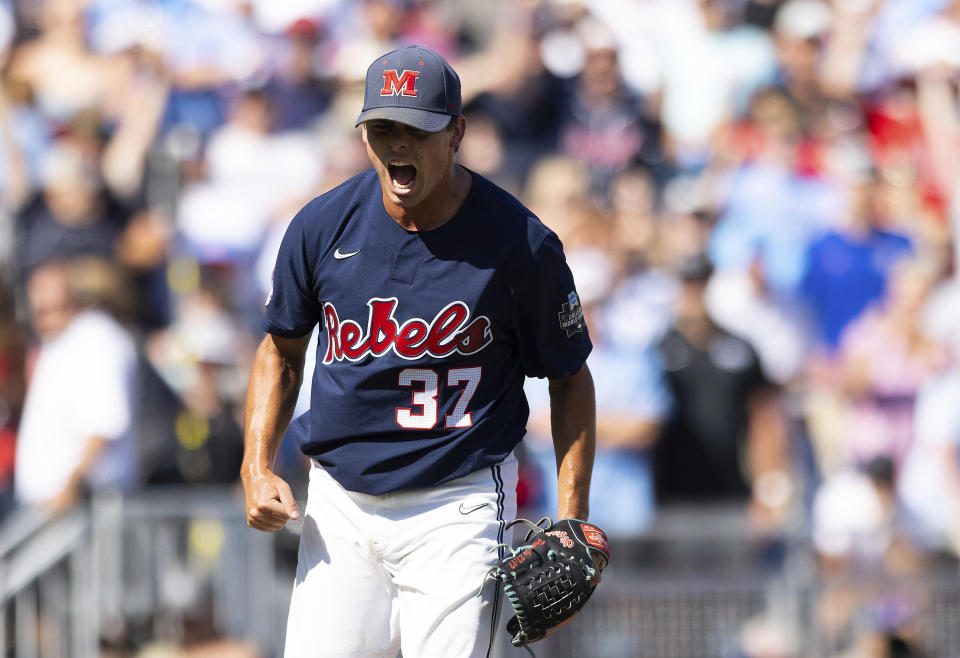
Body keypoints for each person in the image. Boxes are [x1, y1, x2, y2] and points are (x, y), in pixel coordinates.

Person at [240, 45, 597, 658]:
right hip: (339, 501)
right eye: (383, 129)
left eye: (416, 129)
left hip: (455, 501)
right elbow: (281, 351)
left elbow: (569, 376)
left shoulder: (520, 243)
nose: (397, 144)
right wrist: (257, 465)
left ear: (456, 132)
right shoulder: (322, 227)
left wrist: (571, 517)